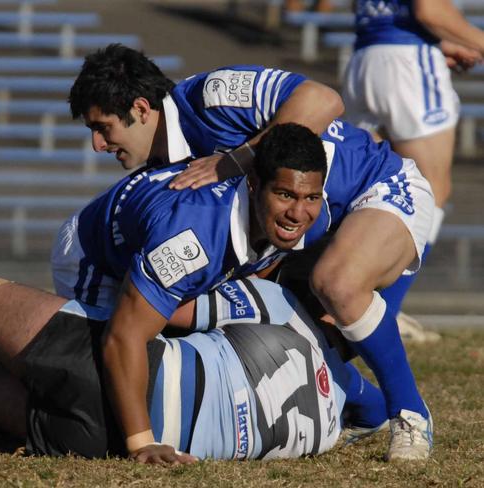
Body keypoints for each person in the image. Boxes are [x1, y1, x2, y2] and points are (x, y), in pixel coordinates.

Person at [51, 117, 435, 462]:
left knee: (307, 300)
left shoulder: (302, 207)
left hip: (390, 186)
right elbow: (124, 336)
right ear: (253, 184)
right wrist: (142, 444)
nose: (298, 212)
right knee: (95, 382)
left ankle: (400, 409)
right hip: (95, 261)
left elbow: (321, 101)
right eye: (285, 195)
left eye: (310, 198)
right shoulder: (191, 241)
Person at [0, 256, 388, 462]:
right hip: (92, 446)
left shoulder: (279, 306)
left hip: (120, 381)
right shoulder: (326, 433)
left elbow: (164, 307)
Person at [342, 0, 484, 339]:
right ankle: (383, 313)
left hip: (365, 57)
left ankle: (346, 304)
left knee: (363, 187)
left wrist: (437, 42)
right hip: (407, 62)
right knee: (431, 188)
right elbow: (429, 10)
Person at [68, 43, 343, 185]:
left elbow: (323, 100)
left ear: (140, 109)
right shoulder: (165, 169)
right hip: (316, 231)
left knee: (335, 283)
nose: (97, 145)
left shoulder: (211, 94)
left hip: (368, 184)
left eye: (102, 127)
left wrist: (235, 161)